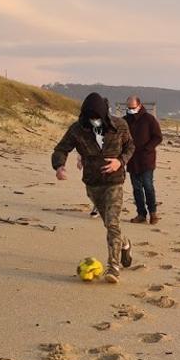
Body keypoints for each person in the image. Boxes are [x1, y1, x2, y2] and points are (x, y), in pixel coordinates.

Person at [52, 92, 135, 283]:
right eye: (91, 118)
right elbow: (61, 148)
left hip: (114, 181)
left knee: (112, 223)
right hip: (92, 183)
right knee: (108, 223)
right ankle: (125, 244)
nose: (94, 121)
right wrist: (59, 166)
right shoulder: (77, 129)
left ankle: (113, 268)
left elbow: (131, 146)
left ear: (104, 114)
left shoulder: (120, 125)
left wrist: (119, 162)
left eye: (97, 117)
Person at [124, 95, 163, 224]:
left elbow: (158, 137)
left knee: (148, 186)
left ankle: (153, 213)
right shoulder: (124, 121)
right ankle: (141, 214)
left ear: (139, 106)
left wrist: (147, 148)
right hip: (131, 159)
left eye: (133, 108)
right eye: (128, 108)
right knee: (136, 188)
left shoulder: (149, 119)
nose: (130, 110)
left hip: (146, 159)